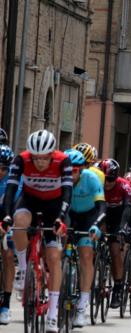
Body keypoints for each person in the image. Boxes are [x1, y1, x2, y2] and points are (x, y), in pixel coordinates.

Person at [2, 130, 72, 332]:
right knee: (18, 220)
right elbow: (11, 189)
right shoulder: (21, 160)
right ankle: (24, 270)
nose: (40, 163)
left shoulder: (63, 161)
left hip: (55, 205)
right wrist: (6, 215)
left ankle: (52, 314)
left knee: (53, 257)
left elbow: (68, 191)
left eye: (44, 158)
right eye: (36, 158)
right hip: (30, 201)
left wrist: (60, 218)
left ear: (52, 154)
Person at [64, 149, 106, 328]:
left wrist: (96, 224)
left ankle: (82, 305)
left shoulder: (92, 179)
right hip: (69, 214)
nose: (70, 175)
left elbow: (102, 207)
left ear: (81, 170)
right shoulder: (61, 179)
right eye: (68, 170)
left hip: (89, 216)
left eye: (74, 171)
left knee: (86, 256)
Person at [97, 158, 131, 308]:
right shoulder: (96, 183)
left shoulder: (124, 185)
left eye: (110, 179)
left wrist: (123, 228)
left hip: (119, 217)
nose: (107, 183)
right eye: (104, 179)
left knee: (115, 250)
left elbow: (128, 208)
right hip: (102, 215)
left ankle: (118, 287)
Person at [0, 145, 20, 325]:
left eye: (4, 168)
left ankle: (5, 305)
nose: (0, 171)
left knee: (7, 255)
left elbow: (17, 207)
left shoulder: (14, 182)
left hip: (9, 217)